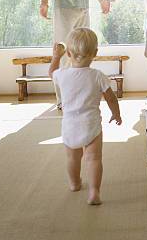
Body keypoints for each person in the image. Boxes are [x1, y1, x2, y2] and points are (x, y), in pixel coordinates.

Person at [49, 28, 122, 205]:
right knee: (94, 158)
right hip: (91, 125)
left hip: (70, 125)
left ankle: (75, 183)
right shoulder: (98, 76)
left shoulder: (61, 75)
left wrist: (56, 57)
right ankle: (94, 191)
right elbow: (111, 98)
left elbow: (51, 72)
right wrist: (116, 113)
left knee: (72, 158)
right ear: (95, 53)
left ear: (68, 53)